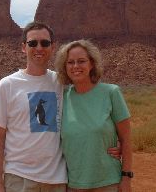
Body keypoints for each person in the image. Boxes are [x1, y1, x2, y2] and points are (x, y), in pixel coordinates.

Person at [0, 22, 121, 192]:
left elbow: (90, 103)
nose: (39, 47)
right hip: (20, 178)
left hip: (57, 180)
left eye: (45, 43)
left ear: (52, 47)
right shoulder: (8, 85)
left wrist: (116, 141)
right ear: (23, 47)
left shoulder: (62, 82)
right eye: (32, 43)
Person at [55, 40, 133, 192]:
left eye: (81, 61)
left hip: (108, 183)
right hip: (72, 184)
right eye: (70, 62)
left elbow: (126, 140)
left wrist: (126, 178)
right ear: (65, 67)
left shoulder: (111, 93)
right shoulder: (61, 98)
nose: (76, 66)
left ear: (92, 64)